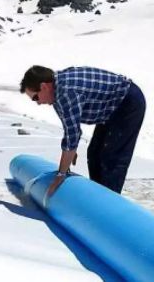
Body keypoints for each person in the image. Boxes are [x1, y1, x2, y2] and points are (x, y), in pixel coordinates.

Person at [20, 65, 146, 199]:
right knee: (94, 153)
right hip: (111, 108)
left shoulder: (66, 92)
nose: (38, 103)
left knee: (111, 157)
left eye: (35, 98)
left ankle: (109, 204)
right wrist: (71, 151)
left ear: (44, 87)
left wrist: (61, 175)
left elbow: (72, 134)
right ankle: (98, 197)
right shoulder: (58, 92)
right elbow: (70, 127)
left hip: (127, 103)